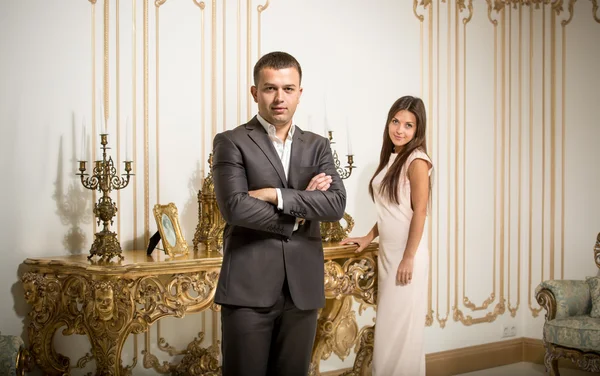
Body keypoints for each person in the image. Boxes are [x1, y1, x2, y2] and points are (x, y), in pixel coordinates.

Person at [211, 51, 346, 376]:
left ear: (300, 92)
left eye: (288, 89)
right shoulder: (231, 142)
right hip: (248, 288)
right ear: (255, 92)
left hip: (303, 288)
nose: (279, 98)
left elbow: (335, 204)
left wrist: (276, 195)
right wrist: (301, 212)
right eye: (270, 88)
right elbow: (236, 208)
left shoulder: (317, 146)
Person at [341, 96, 433, 376]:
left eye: (408, 125)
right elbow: (392, 210)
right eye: (396, 121)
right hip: (389, 255)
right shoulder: (393, 158)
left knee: (402, 336)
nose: (400, 129)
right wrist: (368, 237)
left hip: (408, 257)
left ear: (418, 130)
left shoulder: (417, 161)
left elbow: (419, 213)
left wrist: (408, 258)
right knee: (389, 334)